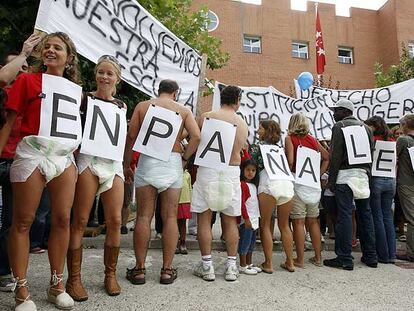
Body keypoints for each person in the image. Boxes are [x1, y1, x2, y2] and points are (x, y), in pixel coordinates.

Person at [0, 32, 80, 311]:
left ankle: (57, 285)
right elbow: (9, 121)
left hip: (64, 158)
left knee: (61, 220)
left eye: (57, 47)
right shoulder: (27, 80)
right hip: (32, 152)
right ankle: (22, 291)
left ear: (69, 58)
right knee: (23, 221)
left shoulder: (75, 89)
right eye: (47, 47)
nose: (50, 50)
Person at [123, 79, 200, 285]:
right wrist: (185, 159)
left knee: (143, 217)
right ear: (175, 93)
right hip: (172, 160)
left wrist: (127, 163)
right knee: (170, 218)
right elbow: (196, 136)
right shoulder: (182, 110)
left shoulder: (143, 106)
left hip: (148, 160)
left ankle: (139, 270)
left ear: (159, 91)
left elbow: (131, 136)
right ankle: (167, 270)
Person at [66, 55, 126, 301]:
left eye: (109, 73)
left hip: (113, 163)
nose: (104, 76)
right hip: (89, 160)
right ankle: (74, 279)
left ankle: (110, 274)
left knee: (115, 219)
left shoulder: (122, 105)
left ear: (117, 79)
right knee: (80, 220)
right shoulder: (84, 98)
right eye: (100, 72)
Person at [192, 85, 248, 282]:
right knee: (230, 219)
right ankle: (231, 266)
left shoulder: (206, 116)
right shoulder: (242, 123)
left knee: (204, 218)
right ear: (237, 100)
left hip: (208, 167)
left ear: (221, 98)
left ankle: (207, 266)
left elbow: (196, 139)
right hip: (231, 170)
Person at [0, 37, 41, 293]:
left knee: (13, 222)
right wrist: (24, 52)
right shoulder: (3, 93)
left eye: (25, 66)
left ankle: (7, 272)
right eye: (17, 66)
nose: (22, 71)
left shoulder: (32, 95)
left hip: (20, 163)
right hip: (2, 160)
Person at [323, 99, 377, 270]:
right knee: (365, 215)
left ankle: (345, 257)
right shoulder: (367, 129)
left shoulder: (339, 127)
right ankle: (370, 256)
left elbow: (335, 155)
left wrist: (331, 180)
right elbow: (371, 152)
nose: (333, 114)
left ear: (345, 111)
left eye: (336, 110)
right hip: (362, 175)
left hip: (345, 177)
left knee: (344, 216)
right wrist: (368, 174)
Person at [249, 120, 295, 273]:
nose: (257, 130)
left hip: (268, 183)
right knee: (284, 226)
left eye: (260, 128)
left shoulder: (256, 148)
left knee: (265, 225)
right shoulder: (280, 149)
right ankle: (290, 262)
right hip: (287, 183)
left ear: (267, 130)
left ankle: (268, 263)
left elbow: (251, 166)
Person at [285, 113, 329, 268]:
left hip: (298, 181)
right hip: (312, 183)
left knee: (298, 221)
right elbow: (326, 157)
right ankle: (318, 258)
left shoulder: (290, 138)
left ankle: (300, 259)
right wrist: (318, 175)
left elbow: (290, 161)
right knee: (313, 221)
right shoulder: (313, 139)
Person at [365, 116, 396, 263]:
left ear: (374, 126)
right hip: (391, 180)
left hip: (376, 179)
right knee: (388, 217)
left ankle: (382, 254)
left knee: (377, 217)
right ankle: (391, 254)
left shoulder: (373, 140)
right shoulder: (392, 141)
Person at [395, 114, 414, 262]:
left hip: (406, 183)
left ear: (405, 126)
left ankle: (411, 253)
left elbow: (393, 158)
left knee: (411, 218)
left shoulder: (403, 140)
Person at [238, 159, 262, 275]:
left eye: (253, 170)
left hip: (255, 218)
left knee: (251, 243)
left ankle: (249, 263)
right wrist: (246, 219)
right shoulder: (242, 185)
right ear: (242, 170)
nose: (250, 172)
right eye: (248, 170)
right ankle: (242, 265)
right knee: (245, 242)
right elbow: (242, 204)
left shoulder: (254, 185)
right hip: (247, 220)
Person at [176, 168, 192, 254]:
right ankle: (174, 243)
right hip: (174, 201)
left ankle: (183, 242)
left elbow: (190, 188)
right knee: (173, 222)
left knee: (183, 223)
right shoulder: (173, 172)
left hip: (185, 201)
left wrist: (190, 200)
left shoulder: (187, 174)